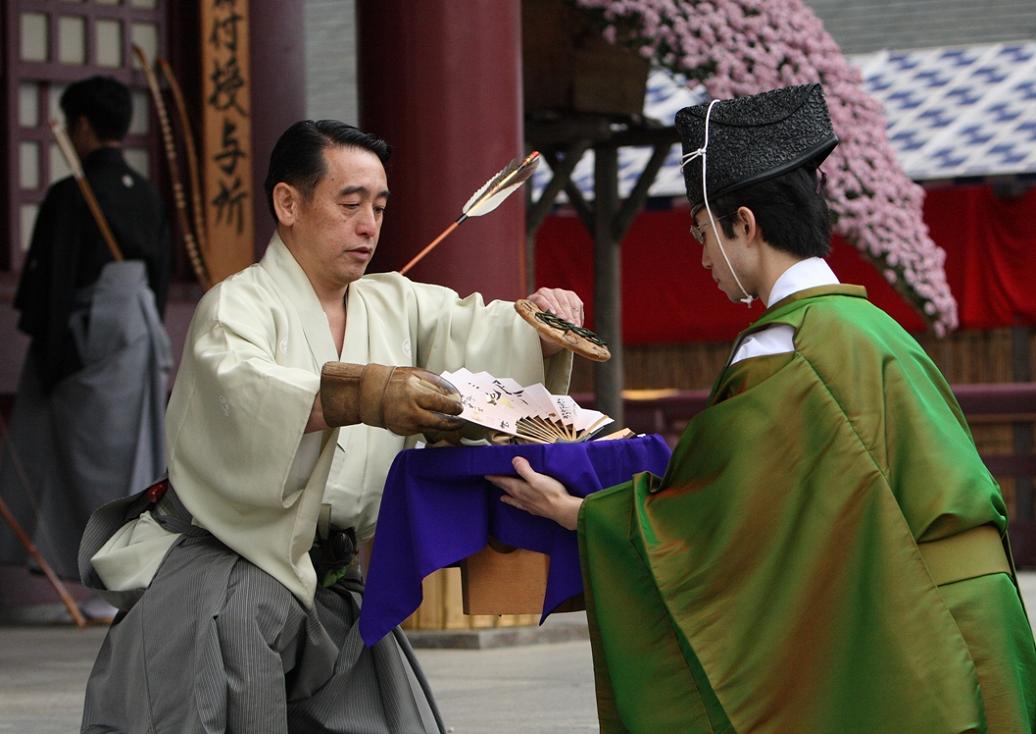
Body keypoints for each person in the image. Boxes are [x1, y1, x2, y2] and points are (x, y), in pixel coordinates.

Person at [488, 84, 1036, 733]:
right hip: (982, 617)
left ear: (743, 224)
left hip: (919, 631)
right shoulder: (880, 328)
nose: (699, 258)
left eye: (700, 233)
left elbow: (723, 517)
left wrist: (584, 516)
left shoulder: (782, 348)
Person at [78, 120, 579, 733]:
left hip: (334, 575)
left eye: (379, 206)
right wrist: (366, 393)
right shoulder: (235, 308)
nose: (368, 225)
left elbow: (480, 332)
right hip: (225, 567)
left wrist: (541, 322)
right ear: (288, 203)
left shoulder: (394, 301)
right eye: (350, 204)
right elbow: (246, 397)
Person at [0, 75, 171, 616]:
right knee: (130, 461)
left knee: (86, 461)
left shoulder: (72, 193)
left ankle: (107, 576)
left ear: (80, 126)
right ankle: (117, 574)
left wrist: (52, 358)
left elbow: (52, 283)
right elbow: (160, 277)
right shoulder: (145, 192)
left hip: (87, 334)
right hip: (137, 329)